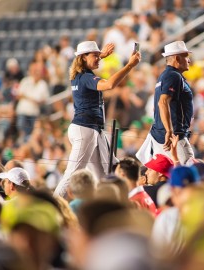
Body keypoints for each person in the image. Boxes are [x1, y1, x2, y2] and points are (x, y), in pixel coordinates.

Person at [54, 41, 141, 198]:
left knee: (102, 176)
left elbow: (86, 61)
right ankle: (51, 206)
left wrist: (100, 55)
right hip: (85, 129)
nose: (98, 59)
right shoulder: (86, 77)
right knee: (71, 175)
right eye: (95, 56)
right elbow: (108, 85)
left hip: (88, 129)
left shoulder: (79, 75)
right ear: (83, 58)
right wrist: (129, 66)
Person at [136, 41, 194, 165]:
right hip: (174, 137)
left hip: (161, 135)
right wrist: (169, 130)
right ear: (177, 58)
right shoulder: (174, 76)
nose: (188, 60)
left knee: (166, 176)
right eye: (186, 56)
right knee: (188, 175)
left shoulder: (165, 76)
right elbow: (162, 103)